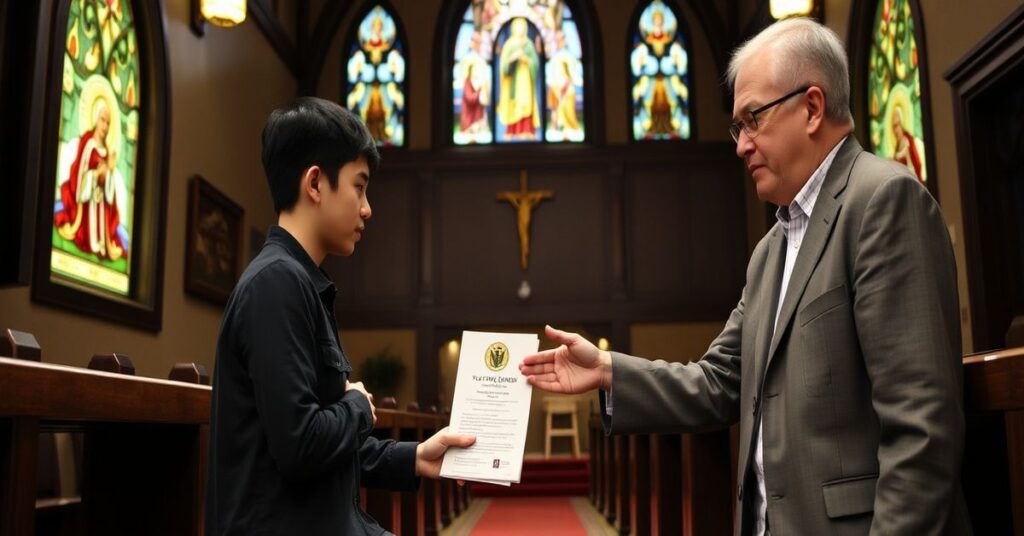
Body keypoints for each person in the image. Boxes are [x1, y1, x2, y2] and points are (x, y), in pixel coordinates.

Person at [521, 18, 969, 535]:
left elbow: (922, 432)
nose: (741, 145)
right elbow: (718, 381)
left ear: (812, 108)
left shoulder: (882, 201)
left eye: (752, 119)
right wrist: (606, 370)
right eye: (739, 127)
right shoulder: (769, 251)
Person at [206, 97, 474, 535]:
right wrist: (357, 406)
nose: (367, 208)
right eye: (359, 187)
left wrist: (414, 456)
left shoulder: (298, 280)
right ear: (315, 183)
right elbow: (302, 446)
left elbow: (325, 447)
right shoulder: (277, 284)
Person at [55, 98, 126, 261]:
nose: (105, 126)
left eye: (108, 123)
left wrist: (109, 171)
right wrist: (95, 174)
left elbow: (110, 192)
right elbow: (79, 174)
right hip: (86, 202)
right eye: (102, 120)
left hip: (101, 203)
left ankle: (101, 244)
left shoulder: (106, 151)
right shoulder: (88, 143)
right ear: (95, 118)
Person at [497, 18, 540, 140]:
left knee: (526, 102)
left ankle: (527, 130)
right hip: (513, 81)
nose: (520, 30)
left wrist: (526, 59)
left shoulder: (529, 44)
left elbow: (535, 63)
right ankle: (512, 130)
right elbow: (503, 66)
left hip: (525, 80)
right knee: (514, 103)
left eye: (522, 27)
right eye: (518, 27)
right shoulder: (509, 45)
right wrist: (512, 59)